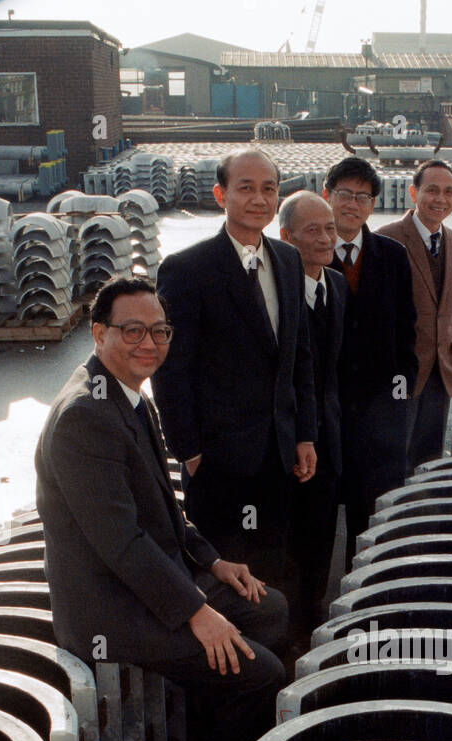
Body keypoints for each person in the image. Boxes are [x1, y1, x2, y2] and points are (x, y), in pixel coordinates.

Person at [35, 274, 288, 741]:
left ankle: (206, 725)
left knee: (271, 609)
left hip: (148, 581)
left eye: (159, 331)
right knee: (263, 674)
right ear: (97, 332)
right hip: (109, 608)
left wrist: (213, 561)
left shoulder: (126, 394)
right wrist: (198, 612)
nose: (149, 344)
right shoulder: (85, 416)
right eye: (132, 331)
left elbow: (164, 511)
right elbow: (122, 544)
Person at [152, 149, 317, 596]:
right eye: (246, 188)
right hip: (217, 458)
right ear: (220, 194)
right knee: (222, 573)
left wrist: (304, 434)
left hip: (279, 452)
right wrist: (188, 451)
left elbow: (298, 357)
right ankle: (226, 660)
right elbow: (170, 370)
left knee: (274, 561)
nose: (259, 199)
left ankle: (274, 655)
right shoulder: (187, 269)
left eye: (269, 189)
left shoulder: (287, 259)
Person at [323, 156, 419, 562]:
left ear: (373, 204)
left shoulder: (392, 256)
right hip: (323, 413)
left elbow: (405, 335)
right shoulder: (302, 253)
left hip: (377, 415)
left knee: (370, 519)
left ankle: (360, 601)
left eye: (363, 196)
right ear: (326, 195)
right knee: (317, 516)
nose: (352, 204)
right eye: (344, 194)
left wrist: (398, 407)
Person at [278, 190, 347, 642]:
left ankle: (311, 622)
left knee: (322, 533)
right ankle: (281, 627)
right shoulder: (272, 292)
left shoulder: (337, 285)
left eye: (330, 229)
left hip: (329, 437)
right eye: (313, 231)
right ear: (286, 238)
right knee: (285, 539)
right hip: (283, 440)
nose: (326, 240)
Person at [377, 158, 452, 472]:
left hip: (440, 373)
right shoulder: (385, 239)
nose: (440, 200)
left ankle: (423, 518)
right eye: (432, 190)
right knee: (390, 459)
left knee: (428, 459)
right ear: (414, 194)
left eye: (448, 192)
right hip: (397, 374)